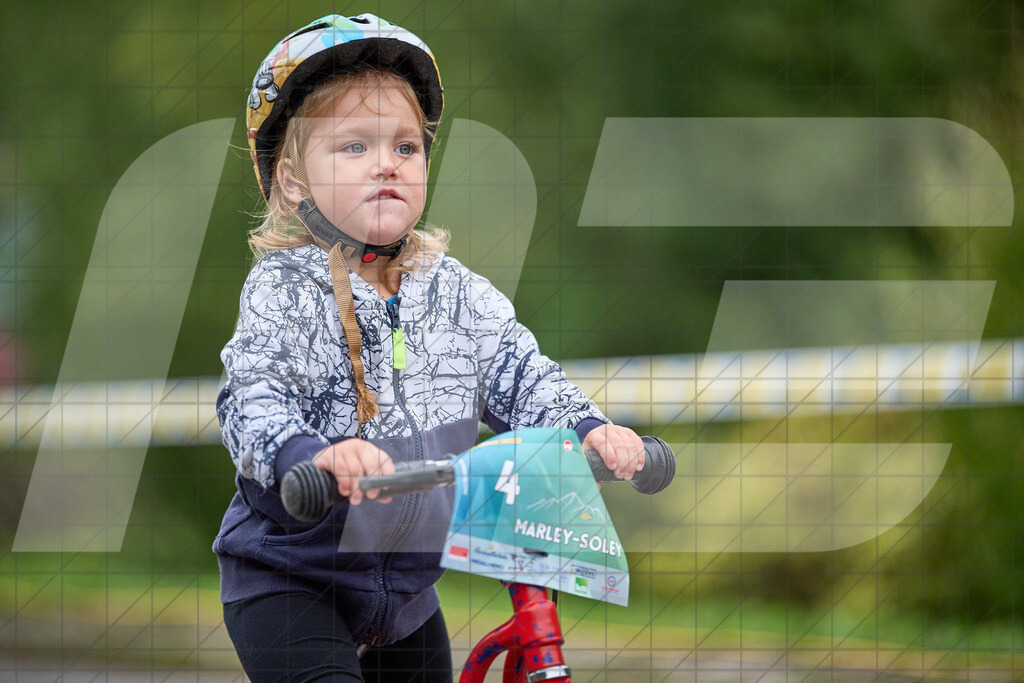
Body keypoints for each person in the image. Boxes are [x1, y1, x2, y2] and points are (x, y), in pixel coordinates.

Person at [214, 13, 645, 682]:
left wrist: (588, 429)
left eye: (405, 147)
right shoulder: (283, 289)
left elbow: (519, 372)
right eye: (353, 147)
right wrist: (313, 455)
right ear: (293, 180)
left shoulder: (453, 291)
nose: (386, 162)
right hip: (291, 578)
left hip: (407, 597)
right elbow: (254, 396)